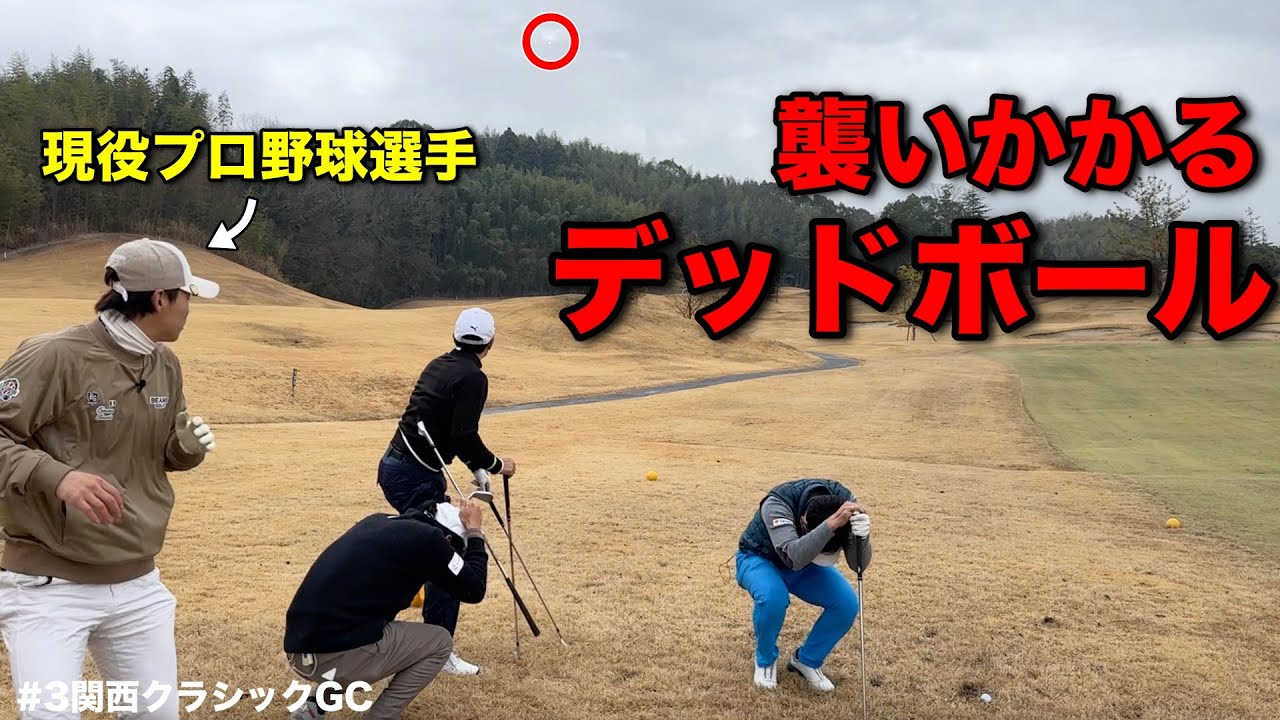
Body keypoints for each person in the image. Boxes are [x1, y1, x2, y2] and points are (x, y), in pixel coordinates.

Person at [0, 238, 219, 719]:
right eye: (187, 297)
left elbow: (159, 457)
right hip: (47, 589)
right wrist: (58, 477)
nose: (190, 309)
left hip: (139, 584)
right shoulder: (54, 355)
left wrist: (187, 447)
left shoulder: (164, 363)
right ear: (160, 299)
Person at [376, 306, 514, 675]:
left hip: (398, 468)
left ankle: (386, 632)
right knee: (446, 553)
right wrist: (496, 465)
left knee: (424, 551)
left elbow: (450, 431)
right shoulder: (473, 378)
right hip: (414, 476)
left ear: (455, 336)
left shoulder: (438, 364)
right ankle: (437, 651)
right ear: (490, 342)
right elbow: (464, 435)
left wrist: (476, 468)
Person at [282, 497, 489, 720]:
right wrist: (475, 533)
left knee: (361, 631)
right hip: (334, 654)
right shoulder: (430, 539)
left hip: (297, 647)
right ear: (448, 539)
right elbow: (474, 589)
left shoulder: (378, 521)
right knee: (440, 642)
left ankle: (312, 709)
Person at [735, 477, 873, 692]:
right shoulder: (777, 503)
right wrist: (831, 525)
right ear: (802, 522)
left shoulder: (847, 504)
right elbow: (794, 557)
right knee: (773, 598)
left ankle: (807, 660)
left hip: (806, 562)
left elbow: (858, 566)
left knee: (846, 603)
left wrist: (862, 537)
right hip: (759, 557)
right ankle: (765, 659)